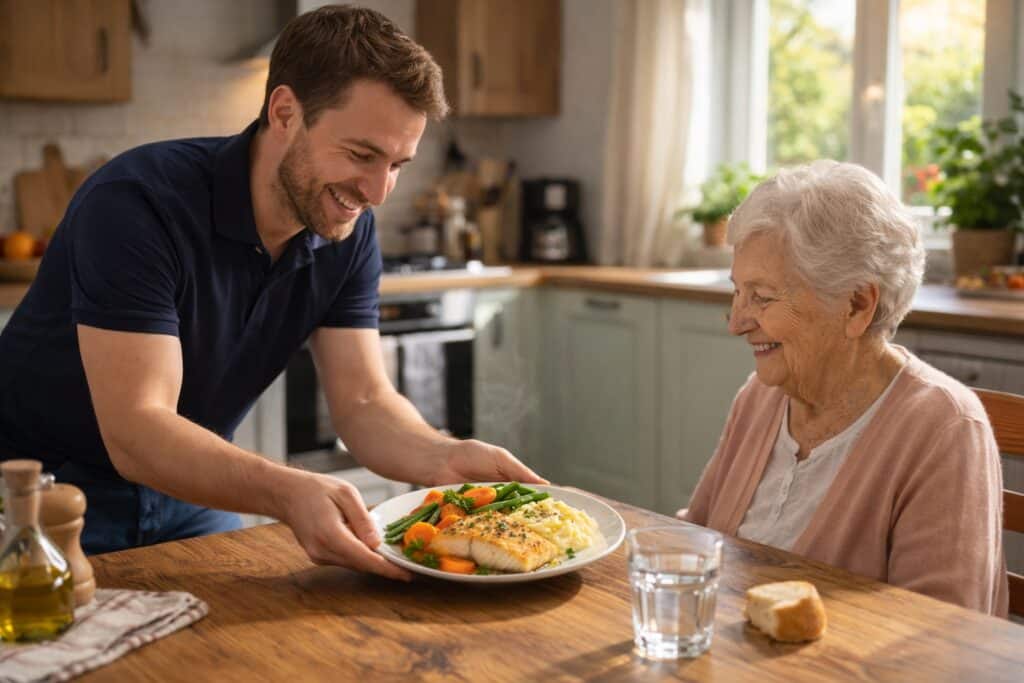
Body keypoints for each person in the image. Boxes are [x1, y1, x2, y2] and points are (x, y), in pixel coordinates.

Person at [0, 5, 544, 580]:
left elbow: (363, 402)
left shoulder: (347, 228)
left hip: (194, 495)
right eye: (362, 155)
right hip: (43, 497)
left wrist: (443, 456)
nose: (378, 192)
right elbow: (136, 430)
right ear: (284, 112)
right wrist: (287, 490)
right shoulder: (137, 203)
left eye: (398, 164)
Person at [682, 160, 1008, 616]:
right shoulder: (760, 397)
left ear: (857, 304)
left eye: (762, 296)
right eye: (737, 293)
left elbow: (941, 640)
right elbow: (693, 537)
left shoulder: (945, 430)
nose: (736, 323)